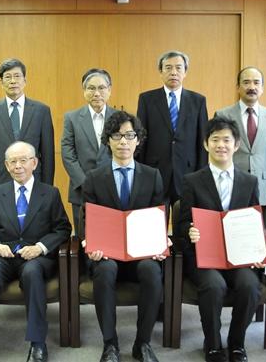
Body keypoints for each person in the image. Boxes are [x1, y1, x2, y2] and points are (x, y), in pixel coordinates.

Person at [0, 141, 71, 362]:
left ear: (34, 162)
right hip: (4, 254)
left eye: (23, 160)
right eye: (13, 161)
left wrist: (40, 247)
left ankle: (37, 343)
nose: (18, 166)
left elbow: (63, 228)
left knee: (32, 273)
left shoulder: (50, 193)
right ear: (6, 165)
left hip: (35, 256)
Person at [80, 111, 166, 362]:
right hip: (107, 253)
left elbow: (158, 217)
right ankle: (110, 344)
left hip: (142, 253)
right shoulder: (95, 178)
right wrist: (92, 244)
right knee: (104, 271)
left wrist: (159, 244)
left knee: (152, 270)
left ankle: (143, 343)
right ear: (108, 140)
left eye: (130, 135)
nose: (123, 142)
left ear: (138, 140)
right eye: (117, 136)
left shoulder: (152, 176)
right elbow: (87, 220)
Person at [175, 117, 263, 362]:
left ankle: (237, 343)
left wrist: (257, 251)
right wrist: (189, 231)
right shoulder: (192, 180)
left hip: (239, 256)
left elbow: (255, 221)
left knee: (249, 285)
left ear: (236, 145)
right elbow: (182, 223)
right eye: (215, 140)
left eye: (227, 140)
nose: (221, 145)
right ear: (206, 144)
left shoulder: (249, 181)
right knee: (214, 286)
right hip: (206, 256)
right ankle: (213, 344)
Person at [0, 58, 55, 203]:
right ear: (1, 82)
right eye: (8, 77)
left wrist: (47, 186)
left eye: (17, 76)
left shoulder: (41, 110)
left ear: (25, 80)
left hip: (33, 178)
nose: (13, 81)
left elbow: (48, 153)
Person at [137, 50, 208, 207]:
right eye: (168, 68)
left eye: (178, 68)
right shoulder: (146, 99)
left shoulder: (198, 101)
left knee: (184, 224)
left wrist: (202, 174)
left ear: (185, 72)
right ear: (160, 72)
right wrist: (141, 172)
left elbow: (203, 141)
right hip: (155, 172)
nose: (173, 72)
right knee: (155, 224)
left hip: (188, 172)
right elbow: (140, 139)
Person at [214, 66, 266, 206]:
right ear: (238, 87)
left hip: (264, 186)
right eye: (246, 82)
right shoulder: (223, 115)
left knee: (263, 227)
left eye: (256, 83)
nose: (252, 87)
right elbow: (217, 153)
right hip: (232, 184)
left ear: (262, 88)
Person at [61, 68, 116, 232]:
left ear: (109, 90)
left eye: (101, 88)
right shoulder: (72, 118)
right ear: (84, 91)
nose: (97, 93)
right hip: (81, 189)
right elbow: (67, 153)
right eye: (91, 88)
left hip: (112, 187)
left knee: (111, 236)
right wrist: (85, 183)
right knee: (84, 238)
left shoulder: (120, 117)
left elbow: (126, 151)